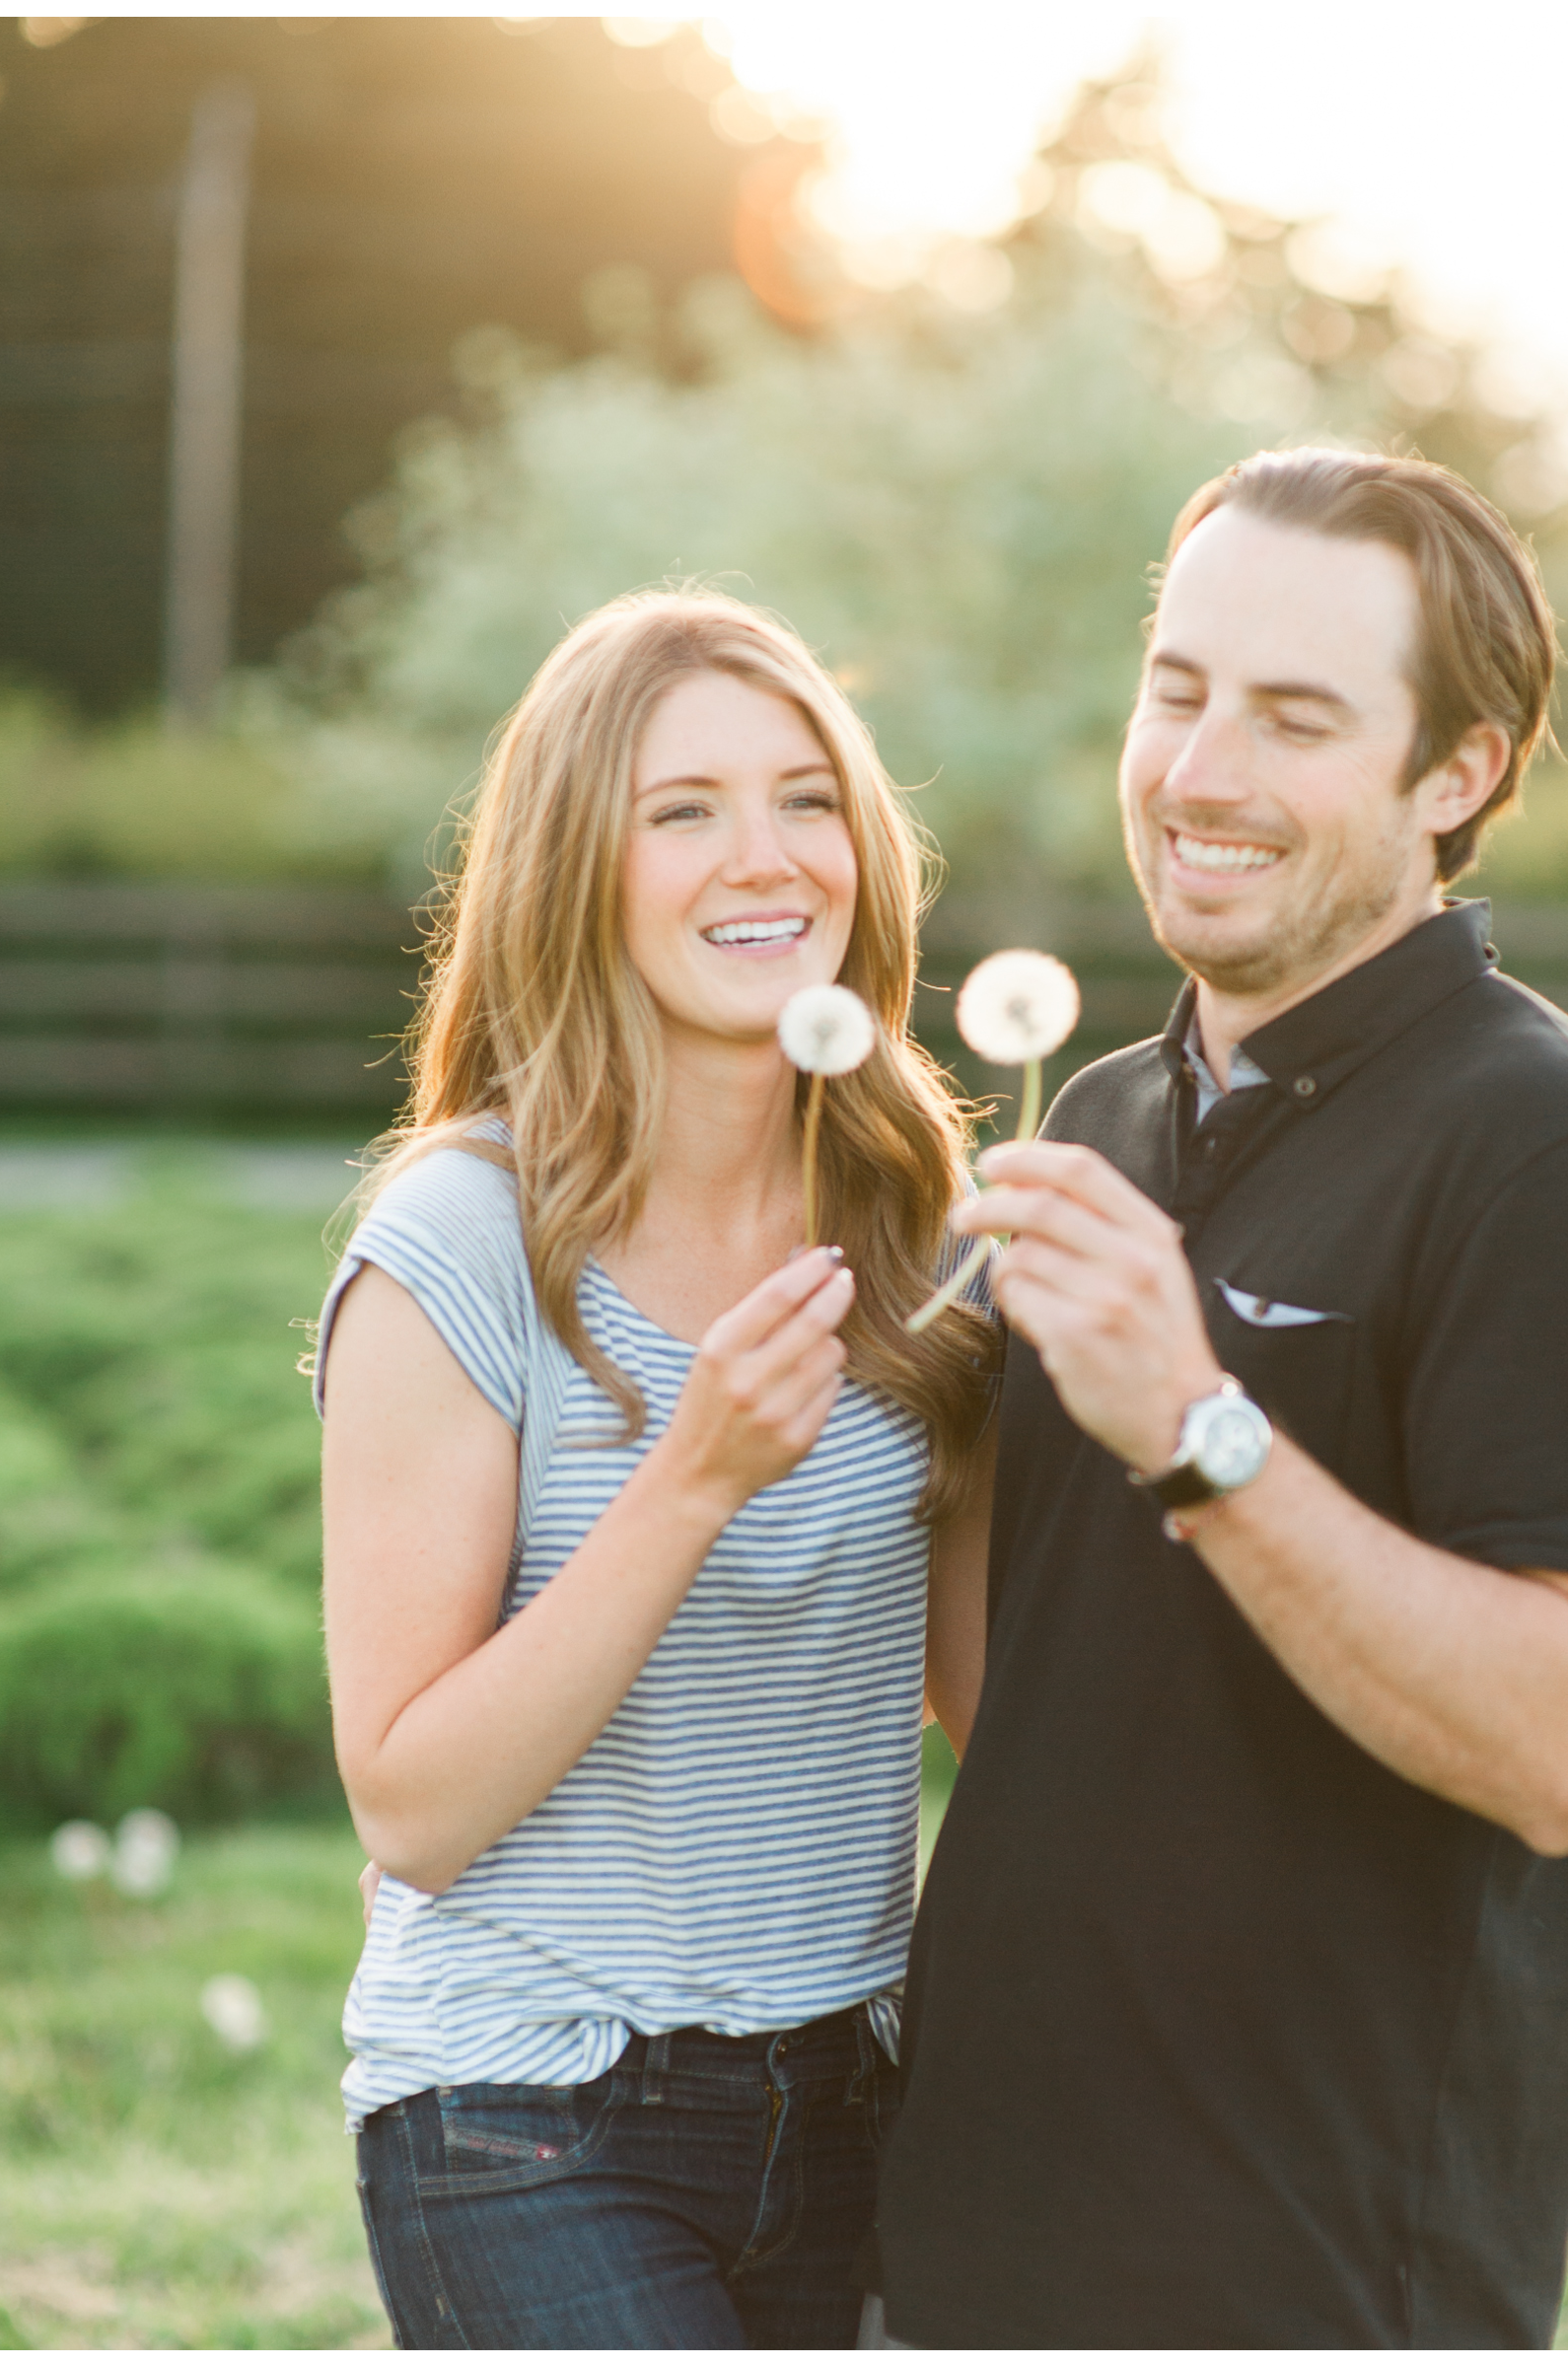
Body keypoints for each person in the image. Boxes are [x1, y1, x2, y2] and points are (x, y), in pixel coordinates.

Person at [868, 448, 1568, 2347]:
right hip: (978, 2234)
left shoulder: (1555, 1160)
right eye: (1176, 691)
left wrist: (1200, 1431)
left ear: (1459, 772)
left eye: (1293, 717)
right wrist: (912, 1416)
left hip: (1303, 2275)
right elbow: (1019, 1696)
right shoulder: (1096, 1121)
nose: (1198, 772)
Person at [315, 590, 1000, 2345]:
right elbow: (413, 1803)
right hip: (525, 2111)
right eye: (680, 810)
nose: (763, 859)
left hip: (855, 2092)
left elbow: (984, 1704)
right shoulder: (456, 1243)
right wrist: (691, 1476)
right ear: (574, 871)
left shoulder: (919, 1232)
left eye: (807, 798)